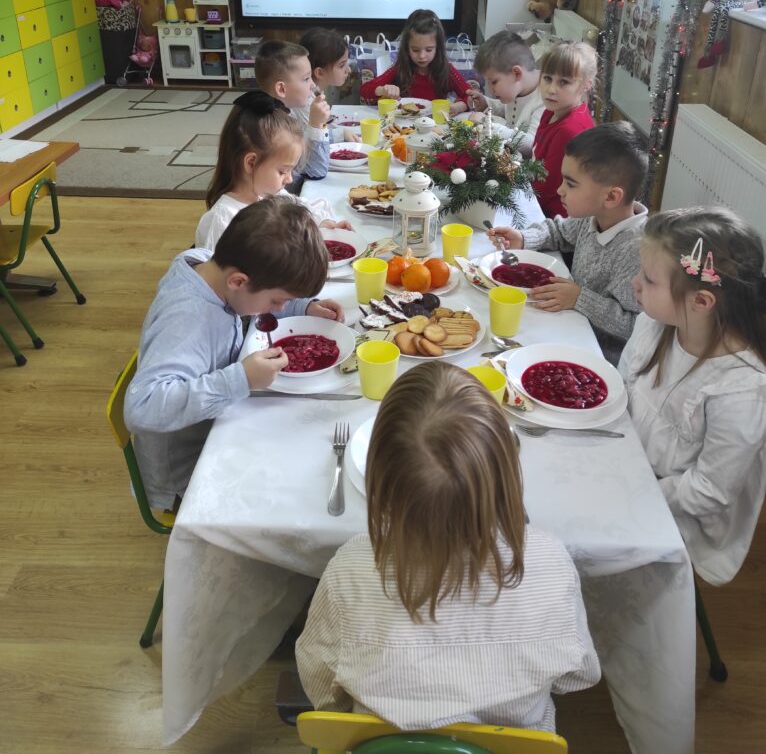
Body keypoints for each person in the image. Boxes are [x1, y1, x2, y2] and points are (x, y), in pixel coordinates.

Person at [296, 362, 600, 732]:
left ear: (379, 479)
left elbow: (322, 688)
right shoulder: (550, 562)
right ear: (505, 473)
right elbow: (579, 676)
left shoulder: (350, 568)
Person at [125, 197, 345, 510]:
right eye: (278, 301)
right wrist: (240, 379)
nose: (278, 309)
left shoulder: (209, 265)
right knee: (298, 492)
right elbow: (142, 407)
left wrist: (303, 306)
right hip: (189, 469)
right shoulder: (187, 320)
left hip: (221, 423)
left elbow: (251, 296)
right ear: (238, 280)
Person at [619, 206, 766, 585]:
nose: (635, 283)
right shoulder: (655, 323)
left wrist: (634, 489)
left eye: (649, 279)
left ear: (701, 301)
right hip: (628, 464)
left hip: (676, 512)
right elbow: (624, 387)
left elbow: (710, 491)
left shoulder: (741, 390)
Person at [488, 122, 648, 364]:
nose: (560, 190)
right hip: (567, 321)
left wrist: (580, 299)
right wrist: (524, 238)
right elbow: (559, 232)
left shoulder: (637, 250)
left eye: (571, 184)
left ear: (611, 197)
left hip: (596, 356)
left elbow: (635, 325)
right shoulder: (593, 216)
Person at [195, 90, 350, 251]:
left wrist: (323, 223)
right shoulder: (223, 220)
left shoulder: (270, 195)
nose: (289, 179)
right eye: (283, 171)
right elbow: (218, 267)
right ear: (251, 163)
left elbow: (304, 208)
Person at [532, 41, 597, 218]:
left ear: (586, 85)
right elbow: (537, 160)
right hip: (538, 201)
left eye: (564, 82)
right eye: (547, 78)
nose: (551, 89)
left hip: (554, 217)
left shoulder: (569, 130)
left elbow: (545, 188)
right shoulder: (551, 111)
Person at [452, 30, 545, 151]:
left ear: (517, 73)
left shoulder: (546, 100)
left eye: (494, 82)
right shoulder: (519, 88)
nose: (490, 89)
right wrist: (485, 103)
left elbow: (531, 144)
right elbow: (507, 109)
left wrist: (487, 124)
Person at [255, 39, 332, 179]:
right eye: (306, 79)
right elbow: (316, 171)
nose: (313, 85)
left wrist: (322, 125)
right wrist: (317, 125)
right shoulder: (276, 128)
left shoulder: (289, 112)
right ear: (281, 89)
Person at [359, 9, 470, 105]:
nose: (422, 56)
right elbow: (364, 90)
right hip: (404, 122)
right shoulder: (399, 70)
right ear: (407, 48)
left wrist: (462, 105)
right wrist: (382, 90)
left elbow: (470, 96)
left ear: (438, 48)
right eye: (415, 50)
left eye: (429, 50)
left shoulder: (447, 71)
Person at [299, 28, 360, 143]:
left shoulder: (315, 90)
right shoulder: (305, 101)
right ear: (320, 73)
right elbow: (312, 138)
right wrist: (341, 134)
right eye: (342, 65)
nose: (349, 70)